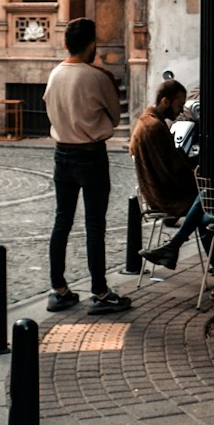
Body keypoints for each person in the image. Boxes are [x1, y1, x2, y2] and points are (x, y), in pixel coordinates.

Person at [43, 17, 131, 316]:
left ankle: (58, 288)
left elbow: (49, 110)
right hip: (91, 155)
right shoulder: (97, 77)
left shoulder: (55, 74)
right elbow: (116, 118)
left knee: (62, 221)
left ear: (65, 43)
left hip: (62, 154)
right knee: (95, 226)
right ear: (92, 44)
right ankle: (100, 292)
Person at [129, 79, 214, 276]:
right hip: (164, 196)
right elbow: (171, 170)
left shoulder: (148, 121)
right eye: (179, 105)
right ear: (165, 101)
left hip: (157, 191)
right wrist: (195, 174)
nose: (180, 112)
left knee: (205, 217)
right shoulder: (154, 127)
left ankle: (177, 249)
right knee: (207, 197)